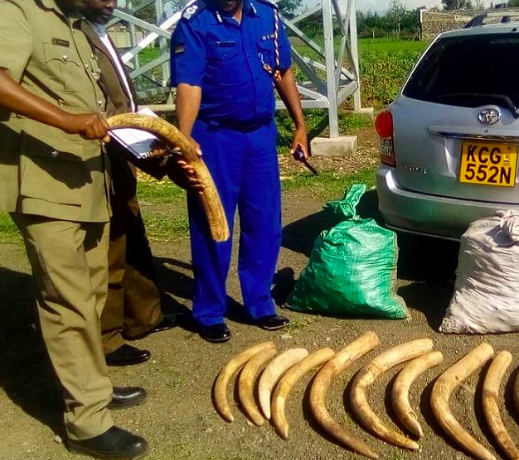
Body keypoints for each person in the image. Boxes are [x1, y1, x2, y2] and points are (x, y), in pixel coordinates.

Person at [0, 0, 148, 458]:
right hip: (43, 185)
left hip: (87, 182)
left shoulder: (76, 24)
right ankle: (86, 422)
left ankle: (93, 389)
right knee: (66, 302)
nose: (111, 3)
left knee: (93, 295)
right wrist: (67, 121)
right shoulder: (17, 11)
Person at [169, 0, 309, 343]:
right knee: (213, 224)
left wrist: (300, 125)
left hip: (261, 135)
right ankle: (209, 311)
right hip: (216, 136)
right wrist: (184, 142)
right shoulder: (196, 22)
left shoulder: (268, 16)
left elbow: (283, 71)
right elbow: (188, 85)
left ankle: (259, 303)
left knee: (264, 221)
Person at [79, 0, 198, 367]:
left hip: (124, 149)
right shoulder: (74, 33)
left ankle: (145, 318)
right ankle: (109, 338)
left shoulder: (98, 32)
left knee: (132, 235)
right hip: (98, 154)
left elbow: (122, 99)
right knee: (110, 247)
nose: (110, 4)